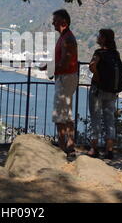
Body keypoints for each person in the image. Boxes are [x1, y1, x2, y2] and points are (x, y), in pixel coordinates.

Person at [40, 9, 78, 158]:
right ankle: (69, 145)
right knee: (66, 113)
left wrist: (50, 68)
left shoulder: (67, 39)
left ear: (63, 21)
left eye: (55, 20)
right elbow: (61, 60)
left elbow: (65, 62)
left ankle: (63, 147)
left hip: (65, 78)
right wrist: (49, 65)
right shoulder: (65, 37)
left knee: (59, 114)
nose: (52, 23)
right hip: (66, 77)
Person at [88, 29, 122, 159]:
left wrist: (97, 77)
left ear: (103, 39)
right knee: (110, 120)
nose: (97, 37)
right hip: (112, 92)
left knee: (95, 119)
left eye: (99, 36)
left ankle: (94, 148)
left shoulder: (99, 52)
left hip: (98, 90)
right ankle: (109, 150)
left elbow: (92, 66)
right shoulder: (115, 53)